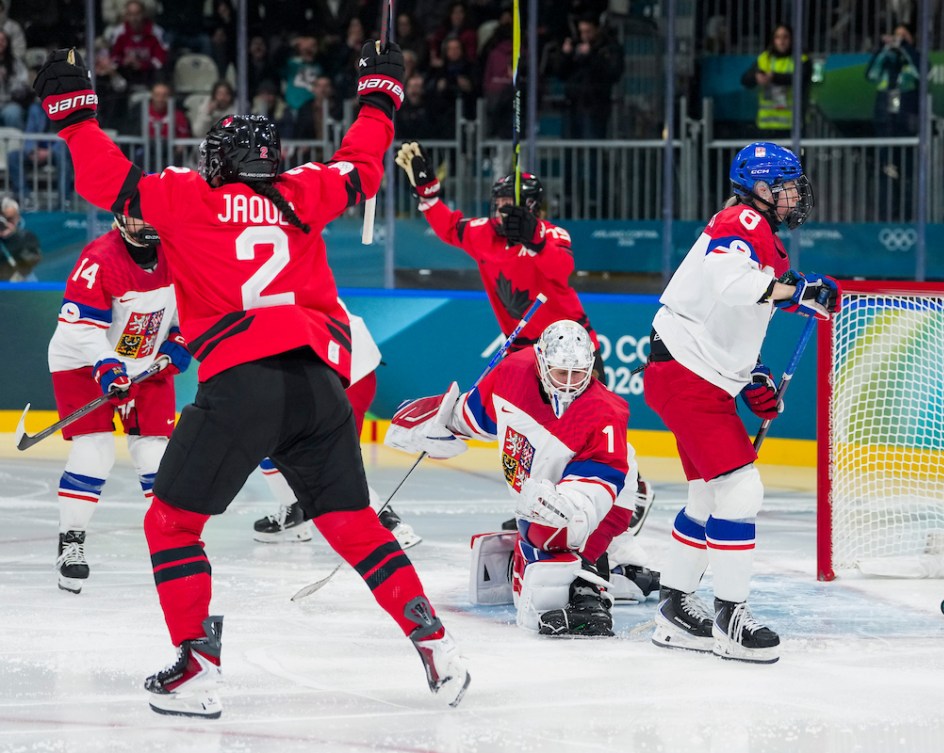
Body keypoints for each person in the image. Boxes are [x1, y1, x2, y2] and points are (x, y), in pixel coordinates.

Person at [33, 40, 469, 717]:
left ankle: (198, 668)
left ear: (225, 161)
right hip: (319, 383)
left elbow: (106, 180)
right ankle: (435, 643)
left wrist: (74, 113)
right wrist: (381, 93)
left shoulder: (184, 197)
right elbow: (361, 165)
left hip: (242, 382)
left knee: (172, 526)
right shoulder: (304, 192)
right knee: (355, 524)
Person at [643, 142, 839, 664]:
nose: (796, 194)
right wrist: (795, 291)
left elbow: (725, 312)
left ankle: (675, 609)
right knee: (740, 491)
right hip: (688, 377)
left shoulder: (755, 231)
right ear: (760, 187)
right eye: (788, 185)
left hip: (689, 374)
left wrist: (749, 373)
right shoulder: (744, 222)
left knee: (708, 497)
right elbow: (728, 285)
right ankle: (731, 619)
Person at [394, 141, 655, 531]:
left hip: (572, 352)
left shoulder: (552, 235)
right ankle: (544, 504)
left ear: (533, 208)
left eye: (509, 202)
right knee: (532, 435)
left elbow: (562, 268)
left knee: (588, 428)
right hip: (523, 355)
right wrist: (427, 192)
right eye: (497, 201)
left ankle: (632, 489)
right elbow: (449, 228)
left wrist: (534, 239)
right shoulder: (483, 234)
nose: (502, 208)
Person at [385, 320, 659, 637]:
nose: (569, 384)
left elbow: (598, 484)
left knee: (549, 535)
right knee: (537, 537)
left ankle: (588, 591)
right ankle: (626, 575)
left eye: (579, 374)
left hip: (607, 502)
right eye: (561, 373)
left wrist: (566, 508)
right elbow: (475, 416)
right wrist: (436, 422)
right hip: (544, 495)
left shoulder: (604, 412)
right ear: (541, 361)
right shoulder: (512, 373)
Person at [46, 214, 181, 593]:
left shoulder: (178, 246)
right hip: (82, 362)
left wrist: (180, 338)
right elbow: (80, 327)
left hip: (146, 364)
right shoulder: (100, 258)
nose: (149, 222)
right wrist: (107, 365)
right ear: (120, 220)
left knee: (156, 458)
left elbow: (190, 301)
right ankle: (70, 541)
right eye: (139, 216)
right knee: (95, 452)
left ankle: (173, 544)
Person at [252, 305, 422, 550]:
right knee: (274, 442)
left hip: (335, 371)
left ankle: (385, 522)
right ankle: (295, 511)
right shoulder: (285, 276)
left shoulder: (260, 289)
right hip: (346, 368)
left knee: (327, 458)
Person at [864, 21, 921, 220]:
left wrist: (905, 47)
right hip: (885, 123)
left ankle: (909, 218)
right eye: (896, 36)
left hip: (907, 125)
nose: (899, 40)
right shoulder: (886, 59)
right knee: (885, 172)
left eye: (904, 36)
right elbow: (870, 75)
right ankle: (885, 217)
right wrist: (883, 48)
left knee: (906, 173)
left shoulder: (915, 58)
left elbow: (923, 72)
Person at [740, 24, 811, 139]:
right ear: (773, 40)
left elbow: (801, 78)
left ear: (792, 39)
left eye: (785, 37)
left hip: (793, 125)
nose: (781, 41)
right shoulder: (765, 58)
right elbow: (745, 79)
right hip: (767, 126)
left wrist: (773, 77)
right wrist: (756, 77)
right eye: (778, 37)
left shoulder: (801, 59)